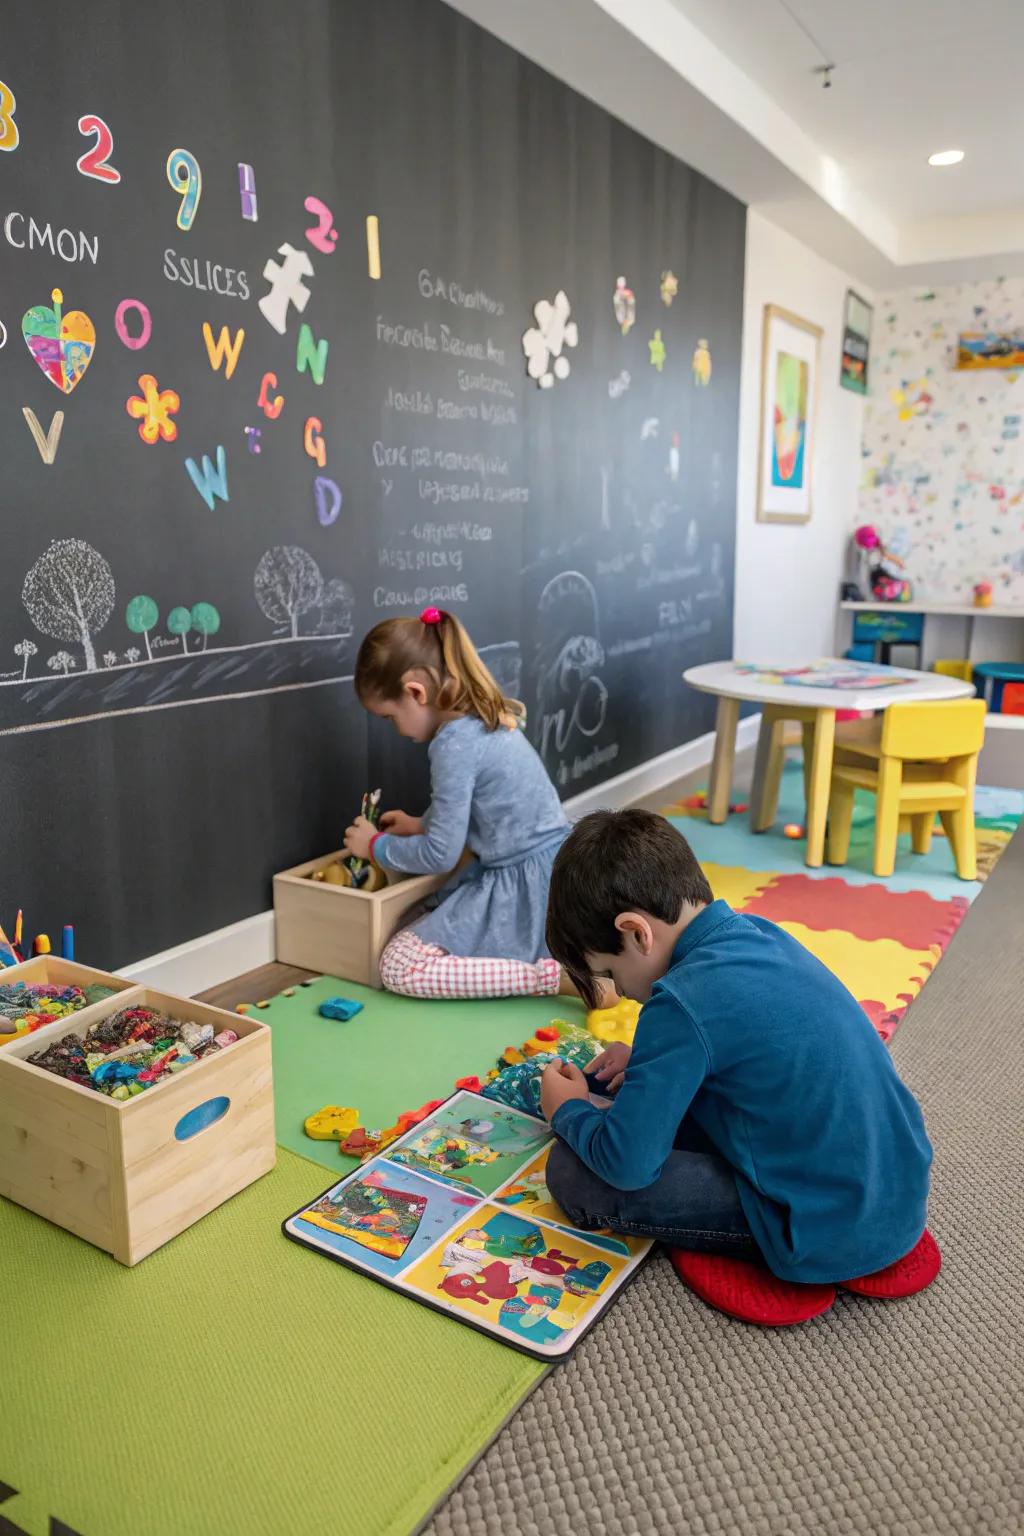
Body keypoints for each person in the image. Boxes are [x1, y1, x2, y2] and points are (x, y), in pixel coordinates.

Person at [539, 808, 940, 1326]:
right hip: (896, 1183)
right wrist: (646, 1061)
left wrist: (567, 1111)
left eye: (610, 972)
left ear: (636, 932)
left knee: (573, 1173)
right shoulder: (757, 932)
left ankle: (764, 1245)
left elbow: (628, 1165)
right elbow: (753, 1043)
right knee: (646, 1103)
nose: (618, 992)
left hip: (818, 1227)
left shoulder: (679, 1001)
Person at [343, 606, 571, 998]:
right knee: (421, 914)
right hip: (558, 868)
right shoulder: (482, 717)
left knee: (398, 965)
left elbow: (439, 857)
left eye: (389, 717)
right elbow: (479, 801)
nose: (395, 729)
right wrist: (422, 823)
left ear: (416, 692)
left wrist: (375, 847)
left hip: (525, 887)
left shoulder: (452, 743)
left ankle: (550, 977)